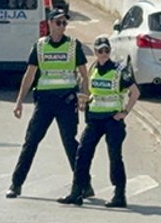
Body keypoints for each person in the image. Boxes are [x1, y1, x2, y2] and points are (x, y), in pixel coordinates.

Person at [6, 8, 90, 199]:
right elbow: (30, 74)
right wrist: (19, 101)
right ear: (50, 24)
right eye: (58, 22)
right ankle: (16, 184)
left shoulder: (73, 46)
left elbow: (84, 74)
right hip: (44, 102)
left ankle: (84, 184)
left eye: (64, 23)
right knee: (31, 141)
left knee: (70, 143)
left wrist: (85, 95)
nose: (61, 27)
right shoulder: (40, 46)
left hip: (66, 102)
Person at [57, 36, 141, 208]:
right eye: (100, 51)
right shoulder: (93, 68)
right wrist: (85, 100)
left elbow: (135, 92)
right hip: (94, 120)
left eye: (106, 51)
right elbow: (91, 91)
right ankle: (77, 192)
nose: (103, 54)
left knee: (115, 157)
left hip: (112, 120)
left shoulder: (119, 70)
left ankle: (119, 195)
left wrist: (125, 112)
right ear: (94, 52)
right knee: (82, 154)